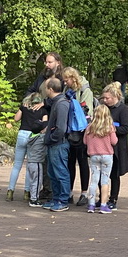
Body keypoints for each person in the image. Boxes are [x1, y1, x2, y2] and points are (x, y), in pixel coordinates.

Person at [62, 66, 94, 205]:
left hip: (81, 131)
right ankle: (69, 192)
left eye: (66, 80)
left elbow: (87, 112)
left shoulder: (85, 90)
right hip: (70, 130)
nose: (64, 83)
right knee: (70, 162)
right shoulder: (66, 90)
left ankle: (84, 193)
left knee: (82, 162)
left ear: (73, 78)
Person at [7, 93, 47, 201]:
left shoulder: (24, 107)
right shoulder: (43, 110)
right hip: (33, 137)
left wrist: (22, 108)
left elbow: (16, 118)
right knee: (30, 165)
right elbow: (44, 125)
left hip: (22, 134)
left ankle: (10, 191)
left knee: (17, 166)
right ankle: (27, 191)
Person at [40, 77, 71, 212]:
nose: (45, 90)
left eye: (46, 88)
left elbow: (61, 128)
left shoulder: (61, 104)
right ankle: (56, 198)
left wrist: (51, 139)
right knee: (52, 172)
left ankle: (63, 200)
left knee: (61, 172)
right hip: (54, 144)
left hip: (59, 144)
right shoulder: (56, 102)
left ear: (51, 89)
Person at [99, 82, 128, 211]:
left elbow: (125, 128)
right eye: (104, 98)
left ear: (116, 96)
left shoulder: (123, 109)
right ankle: (102, 198)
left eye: (108, 98)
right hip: (102, 147)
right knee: (101, 174)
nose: (105, 101)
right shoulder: (103, 108)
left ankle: (113, 199)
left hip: (117, 147)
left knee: (114, 174)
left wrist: (112, 128)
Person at [82, 104, 117, 214]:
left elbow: (84, 142)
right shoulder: (109, 127)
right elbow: (114, 141)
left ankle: (91, 204)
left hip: (94, 156)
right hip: (107, 156)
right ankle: (103, 204)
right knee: (105, 181)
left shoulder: (90, 127)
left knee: (94, 180)